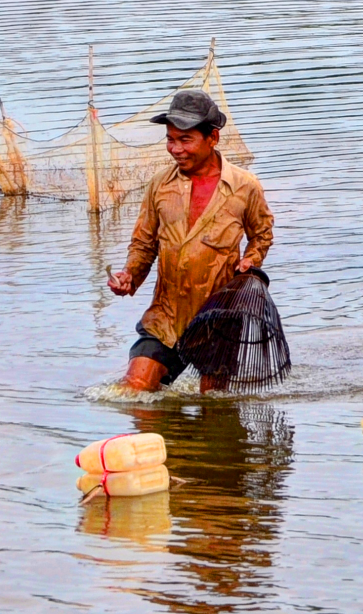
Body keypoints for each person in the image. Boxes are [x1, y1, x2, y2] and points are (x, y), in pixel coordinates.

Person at [107, 89, 275, 392]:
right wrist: (130, 276)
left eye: (186, 140)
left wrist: (253, 258)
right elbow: (144, 244)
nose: (175, 149)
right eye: (170, 139)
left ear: (213, 138)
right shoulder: (160, 184)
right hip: (165, 316)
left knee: (213, 406)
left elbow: (262, 234)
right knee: (133, 389)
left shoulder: (244, 186)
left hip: (218, 318)